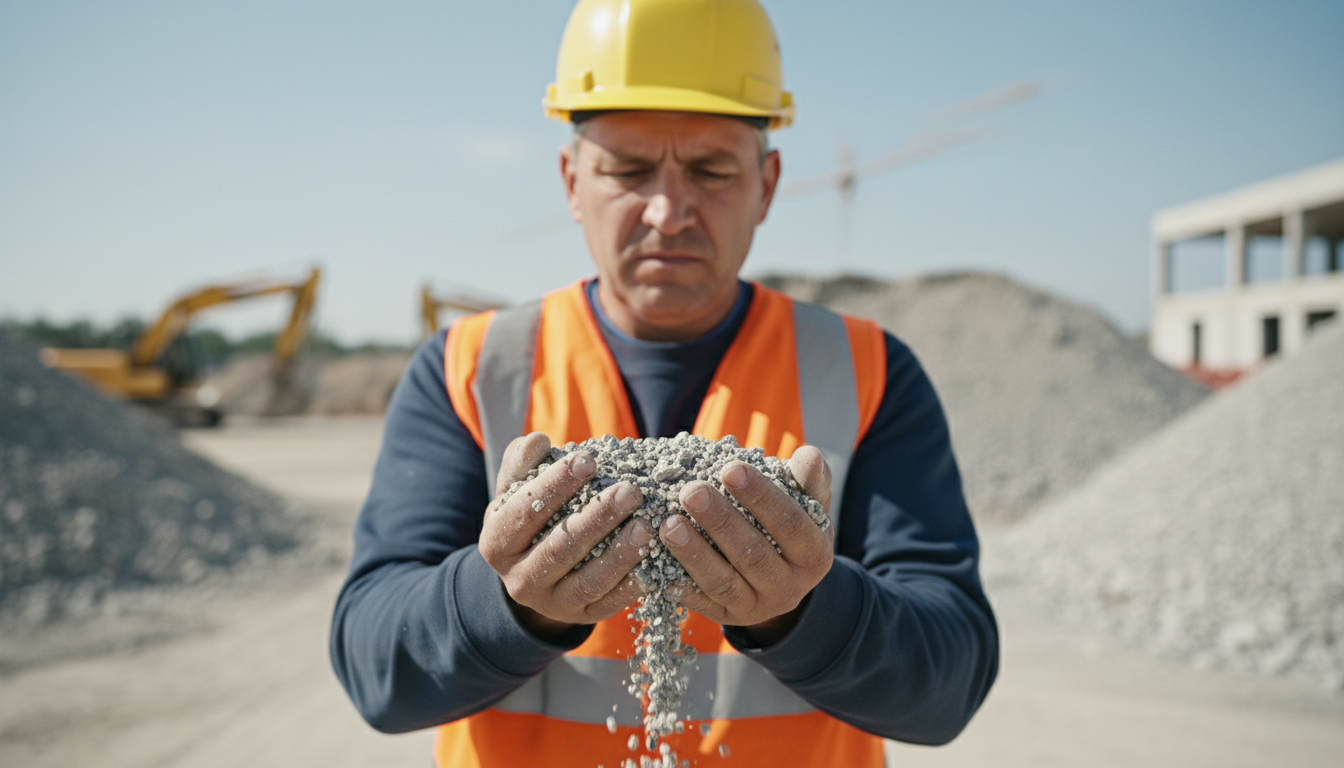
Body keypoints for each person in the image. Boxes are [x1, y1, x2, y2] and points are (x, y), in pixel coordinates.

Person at [329, 1, 998, 766]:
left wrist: (807, 612)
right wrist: (504, 600)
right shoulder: (471, 370)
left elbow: (950, 679)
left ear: (768, 185)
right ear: (572, 181)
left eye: (712, 170)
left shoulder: (867, 372)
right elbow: (374, 667)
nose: (669, 210)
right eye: (628, 169)